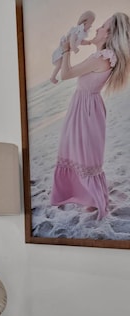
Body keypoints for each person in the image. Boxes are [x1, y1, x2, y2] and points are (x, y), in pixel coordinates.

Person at [50, 12, 130, 220]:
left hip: (86, 110)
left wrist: (67, 50)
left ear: (109, 35)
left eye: (102, 27)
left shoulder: (101, 58)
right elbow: (86, 42)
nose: (97, 28)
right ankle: (86, 198)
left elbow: (66, 74)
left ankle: (92, 201)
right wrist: (79, 40)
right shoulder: (105, 56)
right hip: (84, 106)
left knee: (84, 156)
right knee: (77, 152)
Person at [50, 11, 96, 84]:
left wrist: (87, 42)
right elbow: (72, 39)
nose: (91, 26)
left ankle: (64, 73)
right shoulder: (77, 30)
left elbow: (80, 42)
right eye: (91, 23)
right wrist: (74, 48)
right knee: (59, 65)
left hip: (65, 50)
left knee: (63, 65)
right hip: (61, 50)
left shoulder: (82, 33)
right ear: (84, 22)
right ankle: (52, 77)